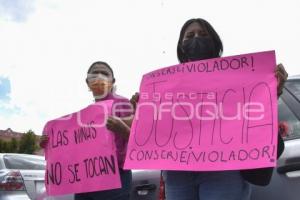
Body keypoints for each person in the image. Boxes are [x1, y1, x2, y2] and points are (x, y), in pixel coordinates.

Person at [130, 18, 288, 200]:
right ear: (181, 47)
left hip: (225, 171)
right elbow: (160, 129)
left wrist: (270, 91)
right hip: (178, 172)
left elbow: (253, 112)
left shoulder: (239, 77)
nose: (196, 38)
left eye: (203, 34)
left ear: (215, 42)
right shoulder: (168, 87)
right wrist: (144, 111)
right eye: (189, 36)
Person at [40, 61, 133, 200]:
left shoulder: (123, 103)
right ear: (87, 82)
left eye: (105, 73)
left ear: (112, 81)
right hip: (86, 181)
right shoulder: (86, 115)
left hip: (116, 178)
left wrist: (122, 129)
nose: (100, 76)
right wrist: (49, 143)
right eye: (94, 73)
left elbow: (138, 141)